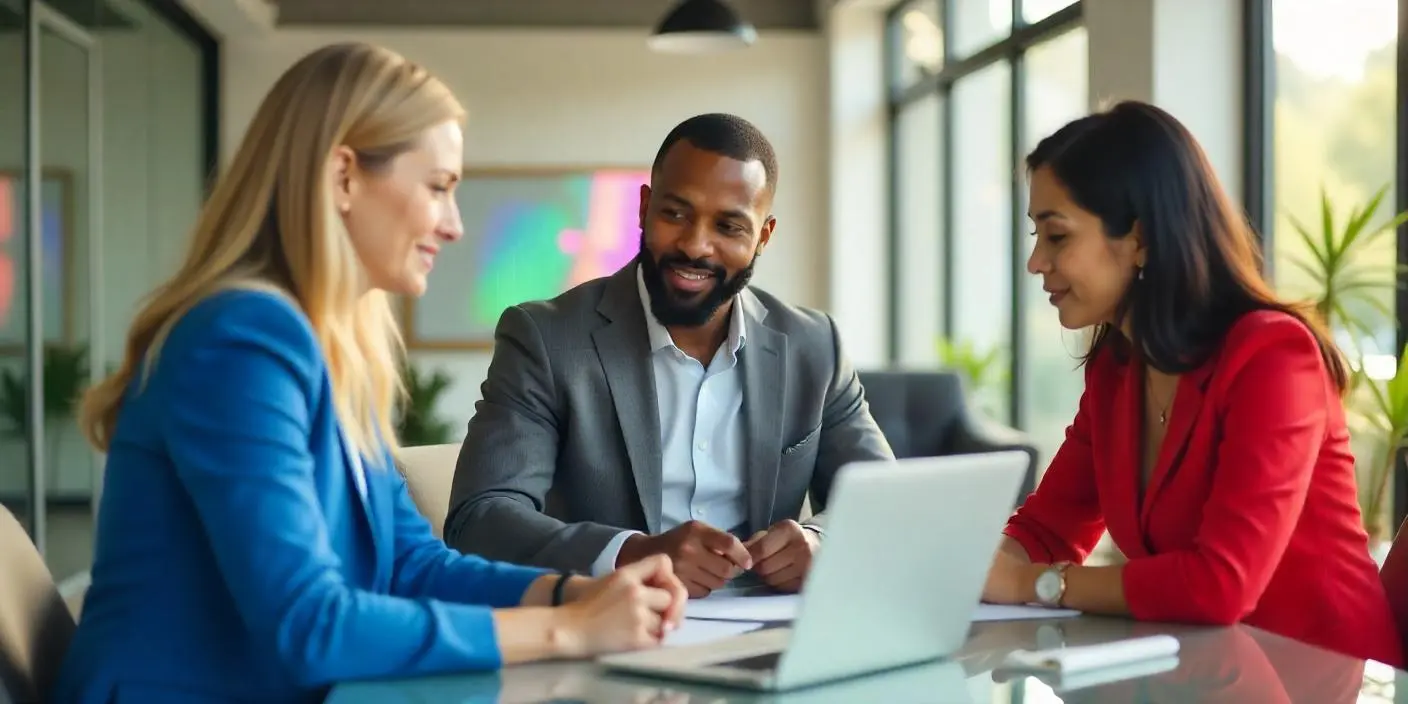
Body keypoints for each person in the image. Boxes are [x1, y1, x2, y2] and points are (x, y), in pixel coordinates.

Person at [51, 42, 686, 704]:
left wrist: (569, 590)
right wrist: (565, 629)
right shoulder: (239, 340)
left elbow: (409, 562)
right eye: (438, 187)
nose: (454, 226)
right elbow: (308, 624)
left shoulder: (326, 348)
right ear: (344, 177)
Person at [981, 99, 1404, 667]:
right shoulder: (1118, 369)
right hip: (1211, 670)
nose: (1035, 262)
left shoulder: (1274, 356)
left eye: (1056, 237)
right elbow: (1049, 528)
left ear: (1141, 238)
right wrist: (974, 571)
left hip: (1325, 674)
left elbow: (1220, 585)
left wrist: (1036, 584)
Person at [444, 113, 893, 597]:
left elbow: (885, 499)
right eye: (675, 214)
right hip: (609, 627)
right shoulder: (547, 338)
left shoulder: (814, 345)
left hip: (773, 637)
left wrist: (820, 540)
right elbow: (480, 517)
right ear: (644, 207)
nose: (695, 245)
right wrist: (633, 554)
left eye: (729, 226)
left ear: (763, 236)